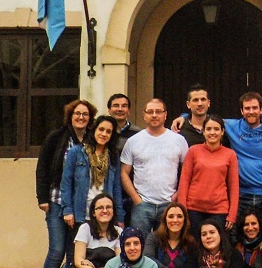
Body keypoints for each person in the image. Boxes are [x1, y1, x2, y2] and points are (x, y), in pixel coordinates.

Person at [36, 98, 97, 268]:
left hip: (80, 206)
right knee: (56, 251)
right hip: (56, 201)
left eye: (85, 114)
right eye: (77, 114)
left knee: (74, 254)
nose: (81, 117)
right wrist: (42, 197)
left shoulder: (92, 140)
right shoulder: (57, 137)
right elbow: (42, 167)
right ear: (70, 116)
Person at [121, 99, 189, 234]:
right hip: (142, 205)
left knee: (166, 247)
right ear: (144, 115)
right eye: (150, 112)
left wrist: (177, 195)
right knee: (139, 246)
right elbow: (124, 172)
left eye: (158, 111)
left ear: (165, 115)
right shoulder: (133, 141)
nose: (154, 115)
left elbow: (187, 172)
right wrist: (136, 199)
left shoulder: (178, 140)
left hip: (169, 204)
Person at [176, 115, 240, 237]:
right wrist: (182, 211)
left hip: (219, 210)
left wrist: (232, 214)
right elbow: (184, 182)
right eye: (209, 129)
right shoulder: (193, 151)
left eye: (216, 129)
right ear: (203, 131)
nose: (212, 132)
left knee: (215, 247)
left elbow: (234, 186)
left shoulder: (230, 154)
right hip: (193, 210)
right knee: (194, 247)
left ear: (222, 132)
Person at [61, 115, 125, 235]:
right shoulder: (76, 152)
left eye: (108, 131)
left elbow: (116, 188)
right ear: (94, 130)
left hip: (104, 215)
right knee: (75, 252)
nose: (104, 134)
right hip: (80, 213)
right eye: (101, 129)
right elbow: (66, 183)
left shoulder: (113, 156)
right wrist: (67, 210)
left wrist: (119, 217)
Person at [72, 194, 122, 268]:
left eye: (108, 207)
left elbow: (120, 261)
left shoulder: (119, 232)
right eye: (100, 208)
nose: (105, 211)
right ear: (93, 213)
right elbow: (78, 260)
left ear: (113, 211)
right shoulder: (85, 229)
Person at [108, 93, 140, 227]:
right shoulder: (102, 131)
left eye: (124, 106)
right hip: (108, 190)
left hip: (131, 191)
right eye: (116, 106)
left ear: (129, 111)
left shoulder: (138, 134)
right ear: (109, 110)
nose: (120, 109)